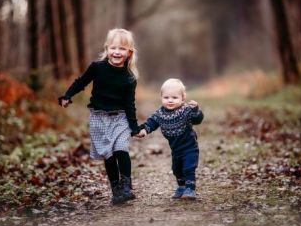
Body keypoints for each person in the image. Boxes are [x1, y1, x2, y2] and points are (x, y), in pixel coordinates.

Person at [58, 28, 140, 205]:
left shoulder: (129, 78)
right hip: (98, 118)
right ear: (107, 48)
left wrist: (134, 128)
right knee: (108, 154)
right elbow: (81, 82)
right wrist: (67, 95)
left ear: (129, 53)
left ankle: (126, 185)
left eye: (122, 49)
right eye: (113, 48)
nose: (117, 52)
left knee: (121, 149)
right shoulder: (97, 68)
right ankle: (116, 190)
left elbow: (129, 104)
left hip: (119, 118)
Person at [138, 78, 204, 200]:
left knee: (188, 167)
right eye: (166, 97)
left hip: (189, 146)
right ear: (161, 98)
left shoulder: (185, 111)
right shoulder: (160, 114)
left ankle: (190, 189)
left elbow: (197, 120)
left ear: (182, 98)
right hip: (176, 149)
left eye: (174, 98)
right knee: (176, 169)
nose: (170, 101)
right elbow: (152, 122)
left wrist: (196, 110)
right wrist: (144, 130)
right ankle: (181, 187)